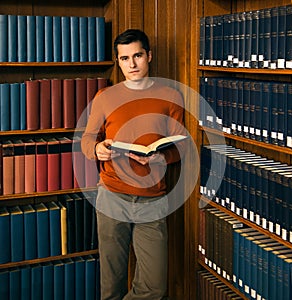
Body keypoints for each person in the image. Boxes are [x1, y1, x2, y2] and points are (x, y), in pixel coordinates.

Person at [81, 29, 186, 300]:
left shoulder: (170, 95)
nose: (132, 64)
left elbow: (182, 144)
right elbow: (88, 139)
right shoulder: (105, 97)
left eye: (137, 55)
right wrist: (97, 149)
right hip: (112, 194)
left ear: (148, 56)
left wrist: (164, 157)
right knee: (111, 283)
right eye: (125, 58)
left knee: (154, 287)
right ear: (118, 61)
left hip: (153, 199)